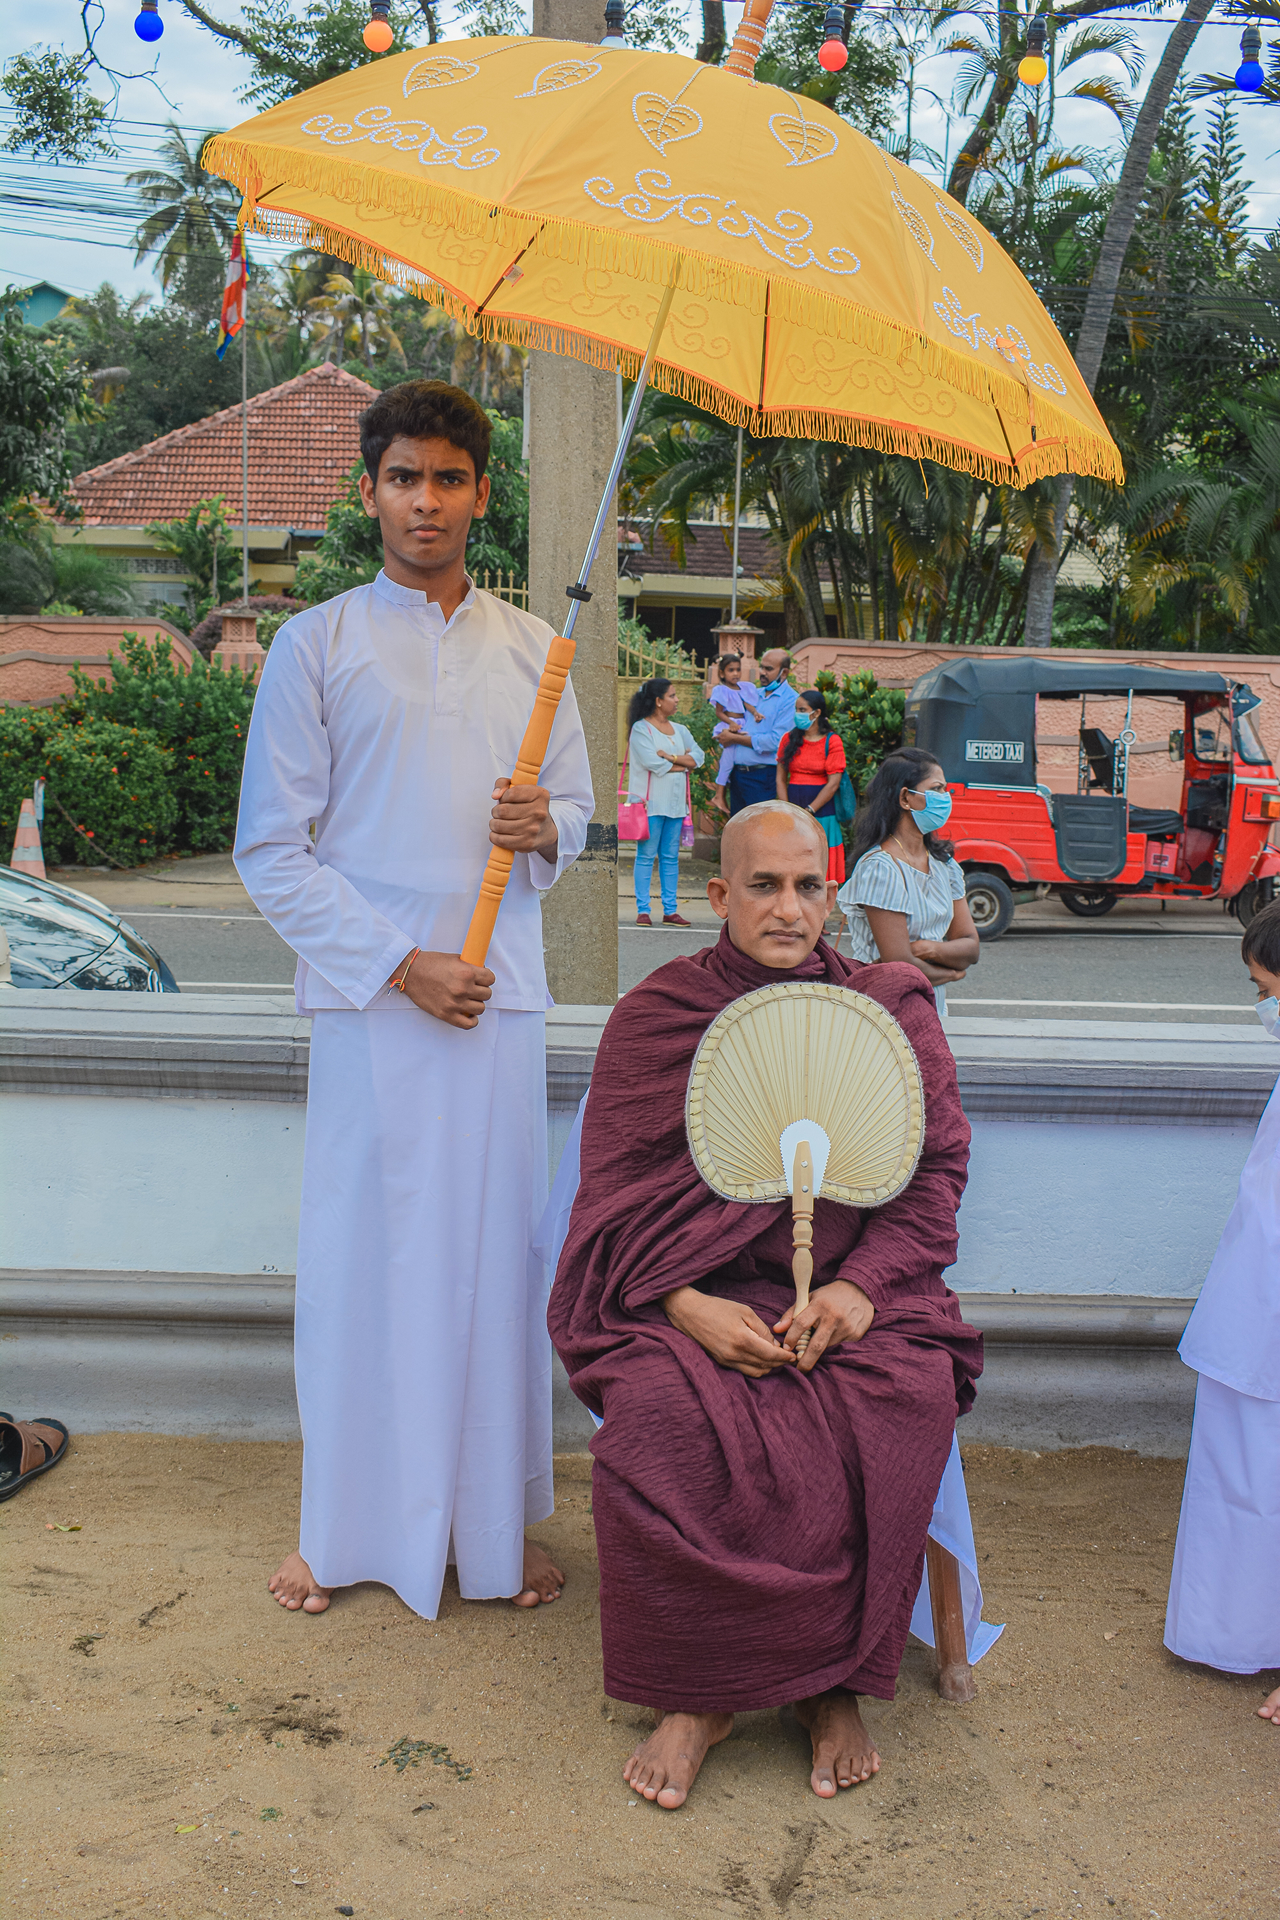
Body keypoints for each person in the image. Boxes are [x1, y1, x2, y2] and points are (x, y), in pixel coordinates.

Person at [234, 379, 593, 1619]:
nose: (424, 500)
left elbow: (581, 822)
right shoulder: (315, 644)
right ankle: (342, 1533)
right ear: (369, 490)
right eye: (403, 477)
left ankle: (489, 1535)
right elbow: (270, 851)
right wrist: (401, 965)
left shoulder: (536, 654)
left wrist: (542, 823)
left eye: (448, 478)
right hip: (373, 1008)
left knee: (493, 1266)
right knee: (364, 1262)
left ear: (481, 492)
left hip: (495, 1003)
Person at [548, 801, 982, 1808]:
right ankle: (699, 1697)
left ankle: (829, 1685)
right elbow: (610, 1203)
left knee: (897, 1403)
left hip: (856, 1295)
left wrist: (855, 1288)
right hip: (684, 1296)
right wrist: (685, 1304)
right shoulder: (657, 1018)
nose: (787, 909)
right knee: (659, 1416)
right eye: (762, 885)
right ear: (717, 894)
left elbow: (933, 1177)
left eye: (806, 887)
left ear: (831, 895)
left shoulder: (886, 1007)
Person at [1164, 898, 1280, 1721]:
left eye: (1269, 990)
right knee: (1241, 1476)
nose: (1263, 1008)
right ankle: (1235, 1634)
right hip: (1254, 1308)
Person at [837, 747, 979, 1018]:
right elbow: (898, 965)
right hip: (887, 1014)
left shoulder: (944, 866)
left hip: (932, 1009)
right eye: (936, 789)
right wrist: (952, 973)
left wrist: (929, 948)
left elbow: (971, 945)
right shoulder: (881, 868)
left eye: (945, 790)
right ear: (905, 798)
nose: (945, 798)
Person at [626, 679, 705, 928]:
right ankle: (643, 910)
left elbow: (699, 757)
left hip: (675, 805)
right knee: (646, 856)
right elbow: (653, 763)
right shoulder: (641, 729)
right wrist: (683, 765)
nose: (677, 699)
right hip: (649, 804)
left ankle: (670, 911)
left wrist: (671, 757)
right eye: (672, 695)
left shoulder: (680, 729)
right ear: (659, 701)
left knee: (671, 857)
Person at [776, 687, 847, 883]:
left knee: (819, 856)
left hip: (822, 810)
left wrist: (809, 810)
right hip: (792, 807)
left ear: (816, 713)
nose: (797, 714)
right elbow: (780, 778)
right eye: (796, 710)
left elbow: (833, 784)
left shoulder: (832, 742)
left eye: (802, 710)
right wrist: (787, 809)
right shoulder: (788, 740)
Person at [714, 648, 797, 814]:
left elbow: (776, 741)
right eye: (761, 667)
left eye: (768, 669)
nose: (762, 673)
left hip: (762, 776)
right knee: (739, 832)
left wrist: (734, 738)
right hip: (738, 775)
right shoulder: (753, 694)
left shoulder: (791, 700)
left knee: (760, 833)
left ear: (784, 672)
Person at [708, 652, 761, 812]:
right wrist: (731, 723)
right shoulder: (721, 690)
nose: (736, 674)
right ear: (722, 673)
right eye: (731, 670)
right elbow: (719, 712)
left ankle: (722, 794)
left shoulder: (745, 687)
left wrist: (755, 713)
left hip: (744, 724)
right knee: (728, 759)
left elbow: (748, 705)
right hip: (730, 724)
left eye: (738, 670)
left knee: (737, 760)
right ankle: (718, 794)